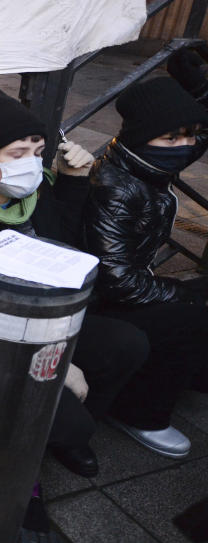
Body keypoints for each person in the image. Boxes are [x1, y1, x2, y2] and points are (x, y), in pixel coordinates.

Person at [0, 88, 149, 483]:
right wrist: (56, 363)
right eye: (17, 153)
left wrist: (74, 182)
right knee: (70, 422)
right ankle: (22, 458)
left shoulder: (36, 195)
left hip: (48, 318)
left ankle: (60, 431)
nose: (32, 164)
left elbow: (65, 251)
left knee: (128, 344)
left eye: (38, 151)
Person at [84, 76, 208, 459]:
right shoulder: (117, 187)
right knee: (189, 314)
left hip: (136, 284)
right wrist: (178, 293)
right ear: (143, 137)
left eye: (190, 135)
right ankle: (141, 414)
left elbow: (190, 139)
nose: (185, 146)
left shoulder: (147, 161)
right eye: (172, 138)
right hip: (103, 302)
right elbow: (116, 280)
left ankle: (190, 376)